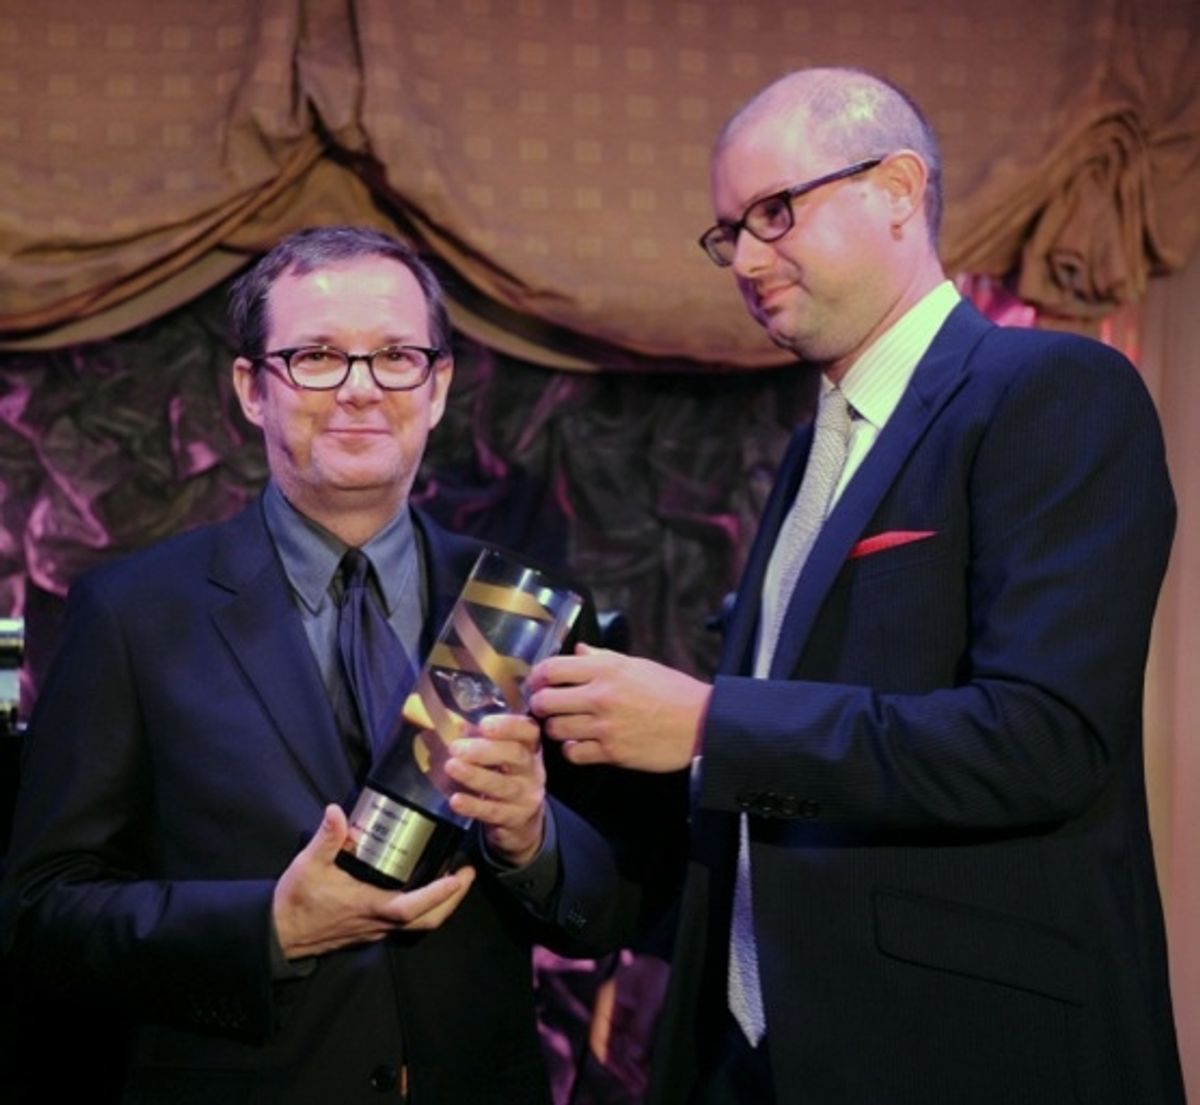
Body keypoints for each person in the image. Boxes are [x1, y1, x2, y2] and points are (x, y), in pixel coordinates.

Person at [527, 68, 1185, 1105]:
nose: (744, 256)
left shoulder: (1052, 390)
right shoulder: (808, 453)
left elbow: (1045, 740)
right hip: (753, 1052)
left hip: (960, 1049)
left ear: (896, 189)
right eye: (727, 232)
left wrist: (708, 723)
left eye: (774, 211)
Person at [0, 226, 628, 1105]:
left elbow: (615, 905)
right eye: (317, 357)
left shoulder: (528, 610)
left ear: (439, 386)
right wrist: (268, 927)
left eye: (397, 356)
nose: (362, 389)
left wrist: (532, 837)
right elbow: (39, 915)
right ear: (253, 388)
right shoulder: (135, 613)